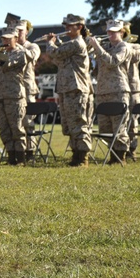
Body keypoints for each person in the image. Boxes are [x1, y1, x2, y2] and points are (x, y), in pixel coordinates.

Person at [43, 14, 93, 167]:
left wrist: (50, 43)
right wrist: (57, 43)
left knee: (79, 122)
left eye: (70, 25)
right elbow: (59, 60)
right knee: (69, 124)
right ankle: (76, 155)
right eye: (66, 25)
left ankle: (83, 157)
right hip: (66, 88)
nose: (66, 28)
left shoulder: (77, 43)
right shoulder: (71, 44)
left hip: (76, 88)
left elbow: (55, 53)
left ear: (79, 27)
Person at [87, 19, 132, 166]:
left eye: (114, 31)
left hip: (118, 90)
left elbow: (113, 62)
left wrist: (97, 47)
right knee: (104, 127)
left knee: (119, 126)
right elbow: (95, 67)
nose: (111, 34)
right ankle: (112, 154)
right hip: (102, 90)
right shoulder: (105, 47)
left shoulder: (124, 46)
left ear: (122, 32)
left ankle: (120, 157)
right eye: (109, 31)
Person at [0, 28, 28, 165]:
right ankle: (11, 157)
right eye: (3, 39)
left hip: (14, 96)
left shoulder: (20, 53)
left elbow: (7, 65)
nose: (4, 41)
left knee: (16, 127)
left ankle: (21, 158)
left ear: (16, 39)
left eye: (8, 39)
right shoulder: (0, 53)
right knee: (4, 128)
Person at [15, 20, 41, 163]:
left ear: (27, 31)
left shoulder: (32, 46)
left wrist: (16, 47)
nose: (18, 32)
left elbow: (32, 56)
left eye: (21, 30)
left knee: (28, 122)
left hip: (27, 88)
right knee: (16, 122)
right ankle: (18, 151)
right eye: (16, 30)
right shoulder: (9, 48)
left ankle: (30, 152)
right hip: (13, 89)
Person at [123, 23, 140, 160]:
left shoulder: (136, 47)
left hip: (132, 88)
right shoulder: (112, 47)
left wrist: (123, 45)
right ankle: (119, 149)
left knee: (132, 121)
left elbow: (137, 57)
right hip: (116, 88)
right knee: (119, 121)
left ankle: (132, 149)